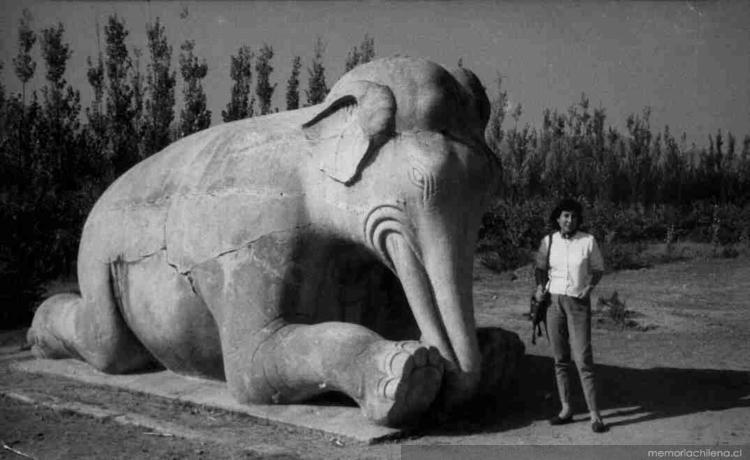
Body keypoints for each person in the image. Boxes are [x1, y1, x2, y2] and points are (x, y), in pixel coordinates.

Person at [534, 198, 607, 433]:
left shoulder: (588, 241)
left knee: (583, 358)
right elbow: (540, 267)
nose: (570, 220)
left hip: (577, 303)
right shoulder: (549, 241)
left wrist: (589, 287)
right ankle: (566, 409)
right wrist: (539, 287)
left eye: (574, 216)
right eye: (565, 215)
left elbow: (598, 269)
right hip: (553, 303)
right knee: (560, 359)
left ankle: (595, 415)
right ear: (558, 218)